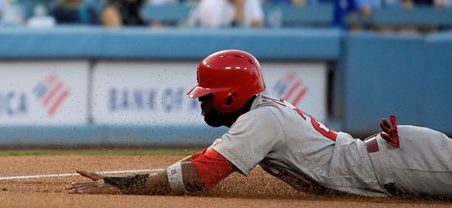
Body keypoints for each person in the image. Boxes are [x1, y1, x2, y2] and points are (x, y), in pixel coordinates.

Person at [67, 49, 452, 199]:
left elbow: (195, 177)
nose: (202, 102)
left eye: (207, 95)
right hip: (389, 159)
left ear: (231, 96)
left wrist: (121, 186)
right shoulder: (261, 113)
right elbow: (205, 159)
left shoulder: (260, 121)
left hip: (397, 160)